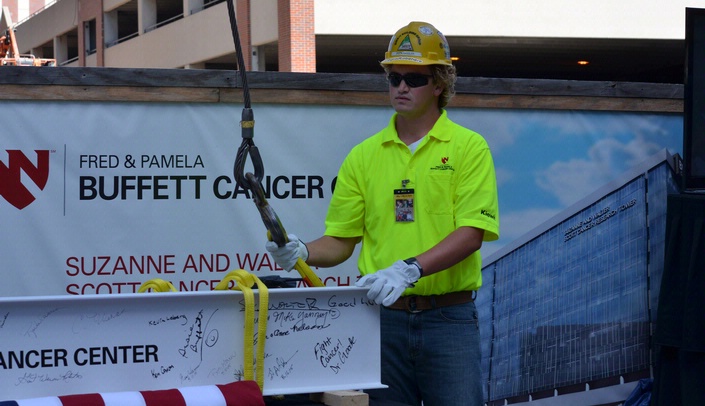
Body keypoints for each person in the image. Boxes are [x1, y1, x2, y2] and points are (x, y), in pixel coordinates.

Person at [266, 21, 499, 406]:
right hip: (380, 319)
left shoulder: (468, 148)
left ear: (440, 83)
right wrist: (304, 251)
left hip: (448, 319)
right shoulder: (364, 155)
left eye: (414, 78)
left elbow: (472, 232)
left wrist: (409, 268)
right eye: (393, 78)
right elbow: (341, 241)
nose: (401, 87)